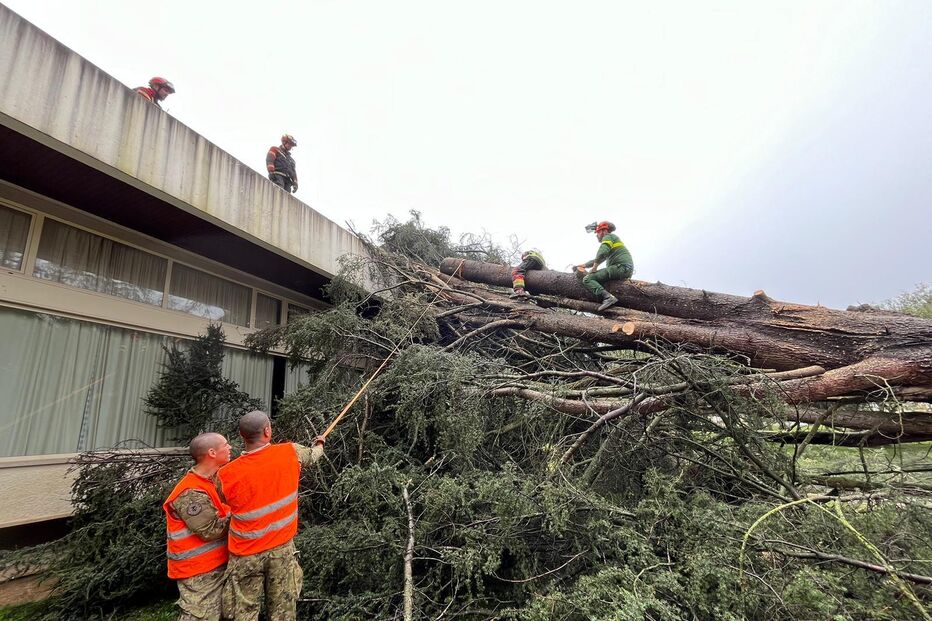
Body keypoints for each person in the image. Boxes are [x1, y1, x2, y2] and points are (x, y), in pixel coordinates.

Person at [218, 410, 325, 621]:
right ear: (267, 431)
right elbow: (312, 456)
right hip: (281, 550)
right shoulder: (290, 452)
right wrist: (320, 444)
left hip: (244, 555)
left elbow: (223, 503)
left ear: (242, 437)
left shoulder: (225, 474)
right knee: (282, 611)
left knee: (242, 613)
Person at [163, 433, 233, 621]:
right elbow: (211, 530)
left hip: (215, 565)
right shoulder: (189, 493)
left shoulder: (210, 480)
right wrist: (244, 512)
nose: (230, 447)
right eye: (225, 445)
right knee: (201, 617)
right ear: (212, 452)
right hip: (198, 572)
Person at [576, 221, 634, 311]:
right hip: (624, 268)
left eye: (598, 232)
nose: (596, 235)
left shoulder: (608, 237)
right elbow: (601, 257)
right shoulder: (612, 240)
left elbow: (602, 252)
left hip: (621, 267)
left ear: (604, 231)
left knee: (588, 279)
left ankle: (608, 298)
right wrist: (584, 265)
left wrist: (594, 268)